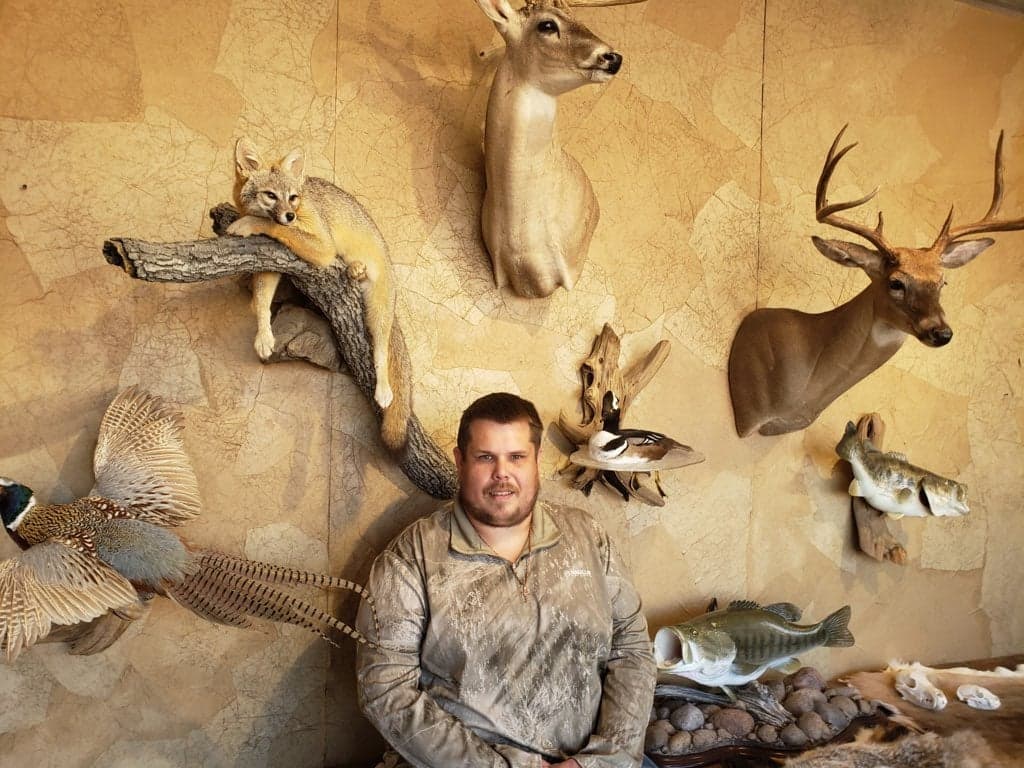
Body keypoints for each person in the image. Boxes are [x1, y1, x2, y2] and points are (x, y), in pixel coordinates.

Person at [356, 392, 657, 768]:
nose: (502, 473)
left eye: (516, 457)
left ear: (536, 462)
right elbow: (385, 691)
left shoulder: (587, 536)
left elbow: (631, 648)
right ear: (460, 461)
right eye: (486, 458)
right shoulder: (411, 558)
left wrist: (605, 760)